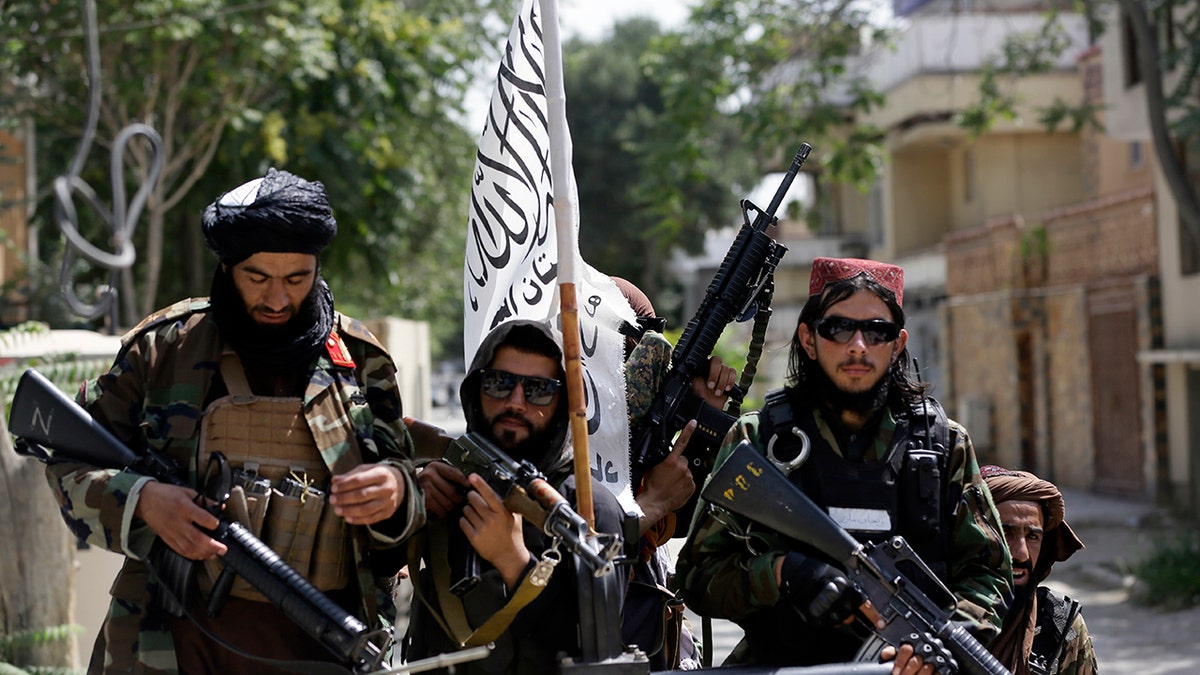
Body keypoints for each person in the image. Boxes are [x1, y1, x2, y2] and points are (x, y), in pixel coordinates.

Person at [44, 169, 424, 673]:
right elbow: (67, 460)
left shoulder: (359, 361)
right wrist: (144, 502)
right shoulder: (163, 350)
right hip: (169, 647)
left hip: (321, 647)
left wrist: (396, 494)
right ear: (226, 269)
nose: (277, 299)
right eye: (257, 277)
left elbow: (411, 498)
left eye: (296, 279)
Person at [677, 256, 1013, 673]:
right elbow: (697, 577)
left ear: (898, 343)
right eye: (838, 328)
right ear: (808, 339)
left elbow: (990, 574)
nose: (858, 345)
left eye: (877, 331)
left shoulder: (943, 445)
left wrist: (933, 646)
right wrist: (784, 572)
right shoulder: (759, 440)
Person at [405, 319, 630, 673]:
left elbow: (597, 653)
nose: (516, 402)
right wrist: (409, 500)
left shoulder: (587, 507)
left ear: (565, 404)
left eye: (539, 390)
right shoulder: (447, 479)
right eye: (499, 383)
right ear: (476, 389)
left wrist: (515, 563)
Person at [614, 275, 737, 670]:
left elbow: (697, 521)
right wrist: (648, 506)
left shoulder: (644, 444)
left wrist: (704, 423)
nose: (636, 370)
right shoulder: (556, 440)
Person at [982, 465, 1098, 675]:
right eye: (1005, 534)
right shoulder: (931, 617)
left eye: (1033, 536)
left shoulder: (1060, 625)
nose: (1022, 554)